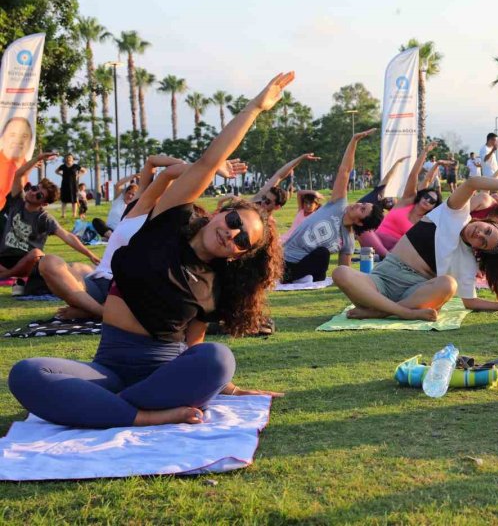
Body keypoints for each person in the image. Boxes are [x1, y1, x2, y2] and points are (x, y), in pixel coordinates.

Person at [8, 72, 292, 429]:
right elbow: (207, 163)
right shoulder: (171, 220)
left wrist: (229, 388)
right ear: (221, 211)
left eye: (241, 241)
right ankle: (138, 415)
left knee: (218, 359)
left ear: (238, 255)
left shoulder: (214, 285)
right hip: (107, 369)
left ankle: (108, 411)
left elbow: (194, 347)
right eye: (234, 221)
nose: (231, 234)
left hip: (162, 378)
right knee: (27, 373)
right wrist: (255, 108)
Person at [40, 159, 246, 320]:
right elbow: (164, 170)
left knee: (62, 268)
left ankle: (98, 311)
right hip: (100, 280)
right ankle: (100, 312)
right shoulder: (140, 208)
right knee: (51, 263)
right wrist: (212, 166)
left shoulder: (177, 227)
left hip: (128, 290)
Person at [332, 174, 498, 321]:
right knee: (341, 273)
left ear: (481, 250)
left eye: (483, 241)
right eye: (486, 230)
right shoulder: (454, 214)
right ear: (486, 222)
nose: (479, 234)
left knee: (448, 285)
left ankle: (382, 312)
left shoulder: (467, 260)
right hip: (381, 280)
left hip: (414, 292)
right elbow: (471, 183)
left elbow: (470, 301)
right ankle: (399, 312)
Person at [281, 129, 384, 283]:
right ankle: (301, 279)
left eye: (362, 210)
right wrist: (353, 141)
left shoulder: (348, 241)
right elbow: (345, 171)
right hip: (283, 261)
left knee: (322, 253)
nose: (357, 205)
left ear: (360, 222)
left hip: (300, 268)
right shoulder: (338, 204)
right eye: (362, 204)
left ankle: (306, 280)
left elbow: (344, 271)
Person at [0, 152, 101, 281]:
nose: (33, 192)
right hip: (4, 258)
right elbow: (19, 174)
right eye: (35, 188)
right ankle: (10, 273)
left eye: (39, 195)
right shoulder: (17, 201)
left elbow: (67, 236)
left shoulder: (44, 218)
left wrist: (90, 254)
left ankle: (6, 275)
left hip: (28, 262)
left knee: (36, 254)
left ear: (45, 203)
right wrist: (38, 158)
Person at [357, 144, 444, 258]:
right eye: (427, 196)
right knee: (362, 230)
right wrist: (425, 152)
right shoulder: (407, 202)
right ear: (422, 196)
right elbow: (415, 176)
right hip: (376, 242)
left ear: (433, 207)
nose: (427, 200)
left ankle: (386, 258)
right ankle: (386, 257)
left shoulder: (425, 221)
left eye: (432, 201)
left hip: (397, 249)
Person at [0, 116, 34, 209]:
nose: (19, 140)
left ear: (30, 140)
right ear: (3, 138)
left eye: (24, 136)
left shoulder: (24, 163)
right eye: (12, 135)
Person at [55, 153, 87, 220]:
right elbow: (56, 171)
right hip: (64, 184)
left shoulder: (76, 166)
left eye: (70, 157)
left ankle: (74, 214)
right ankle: (63, 214)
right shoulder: (63, 166)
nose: (68, 158)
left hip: (73, 185)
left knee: (74, 200)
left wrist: (78, 175)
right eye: (67, 157)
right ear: (65, 159)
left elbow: (84, 171)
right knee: (64, 200)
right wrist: (61, 175)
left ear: (72, 159)